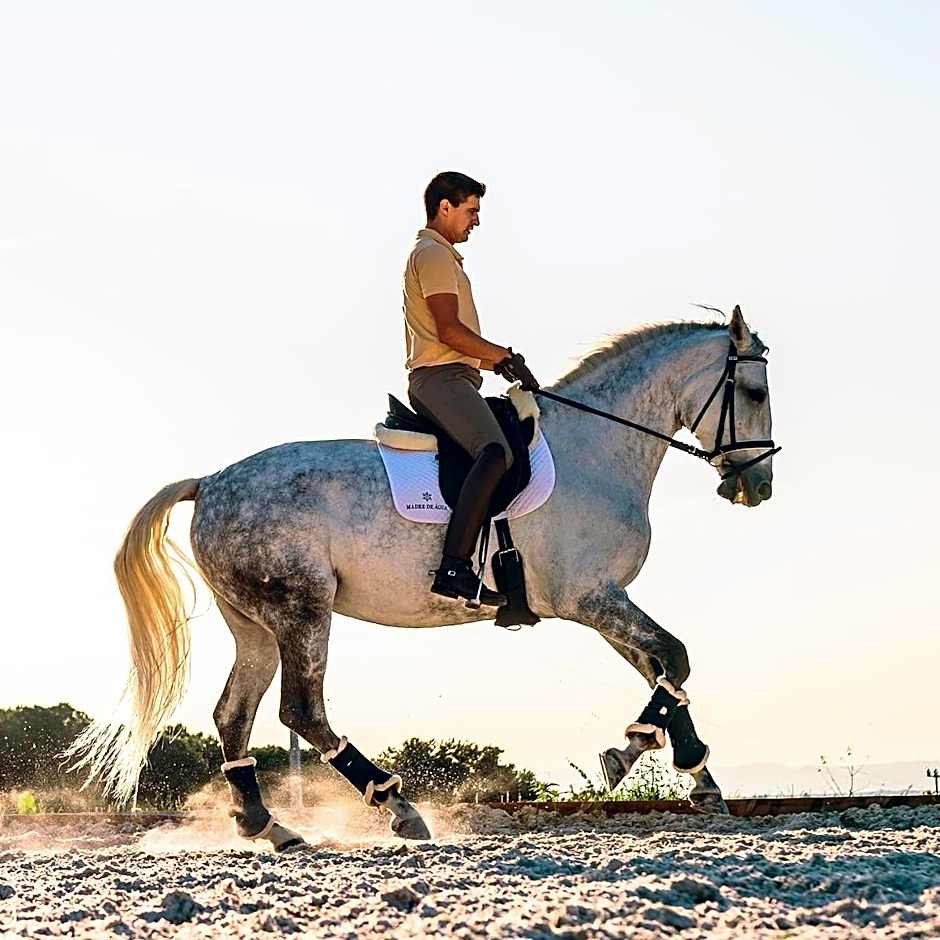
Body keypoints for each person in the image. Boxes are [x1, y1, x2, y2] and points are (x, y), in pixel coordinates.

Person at [403, 171, 540, 606]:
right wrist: (502, 355)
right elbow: (449, 332)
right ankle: (454, 568)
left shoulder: (442, 257)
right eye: (471, 211)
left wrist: (499, 364)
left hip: (456, 375)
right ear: (445, 207)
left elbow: (457, 344)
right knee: (495, 452)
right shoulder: (433, 255)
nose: (476, 221)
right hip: (439, 380)